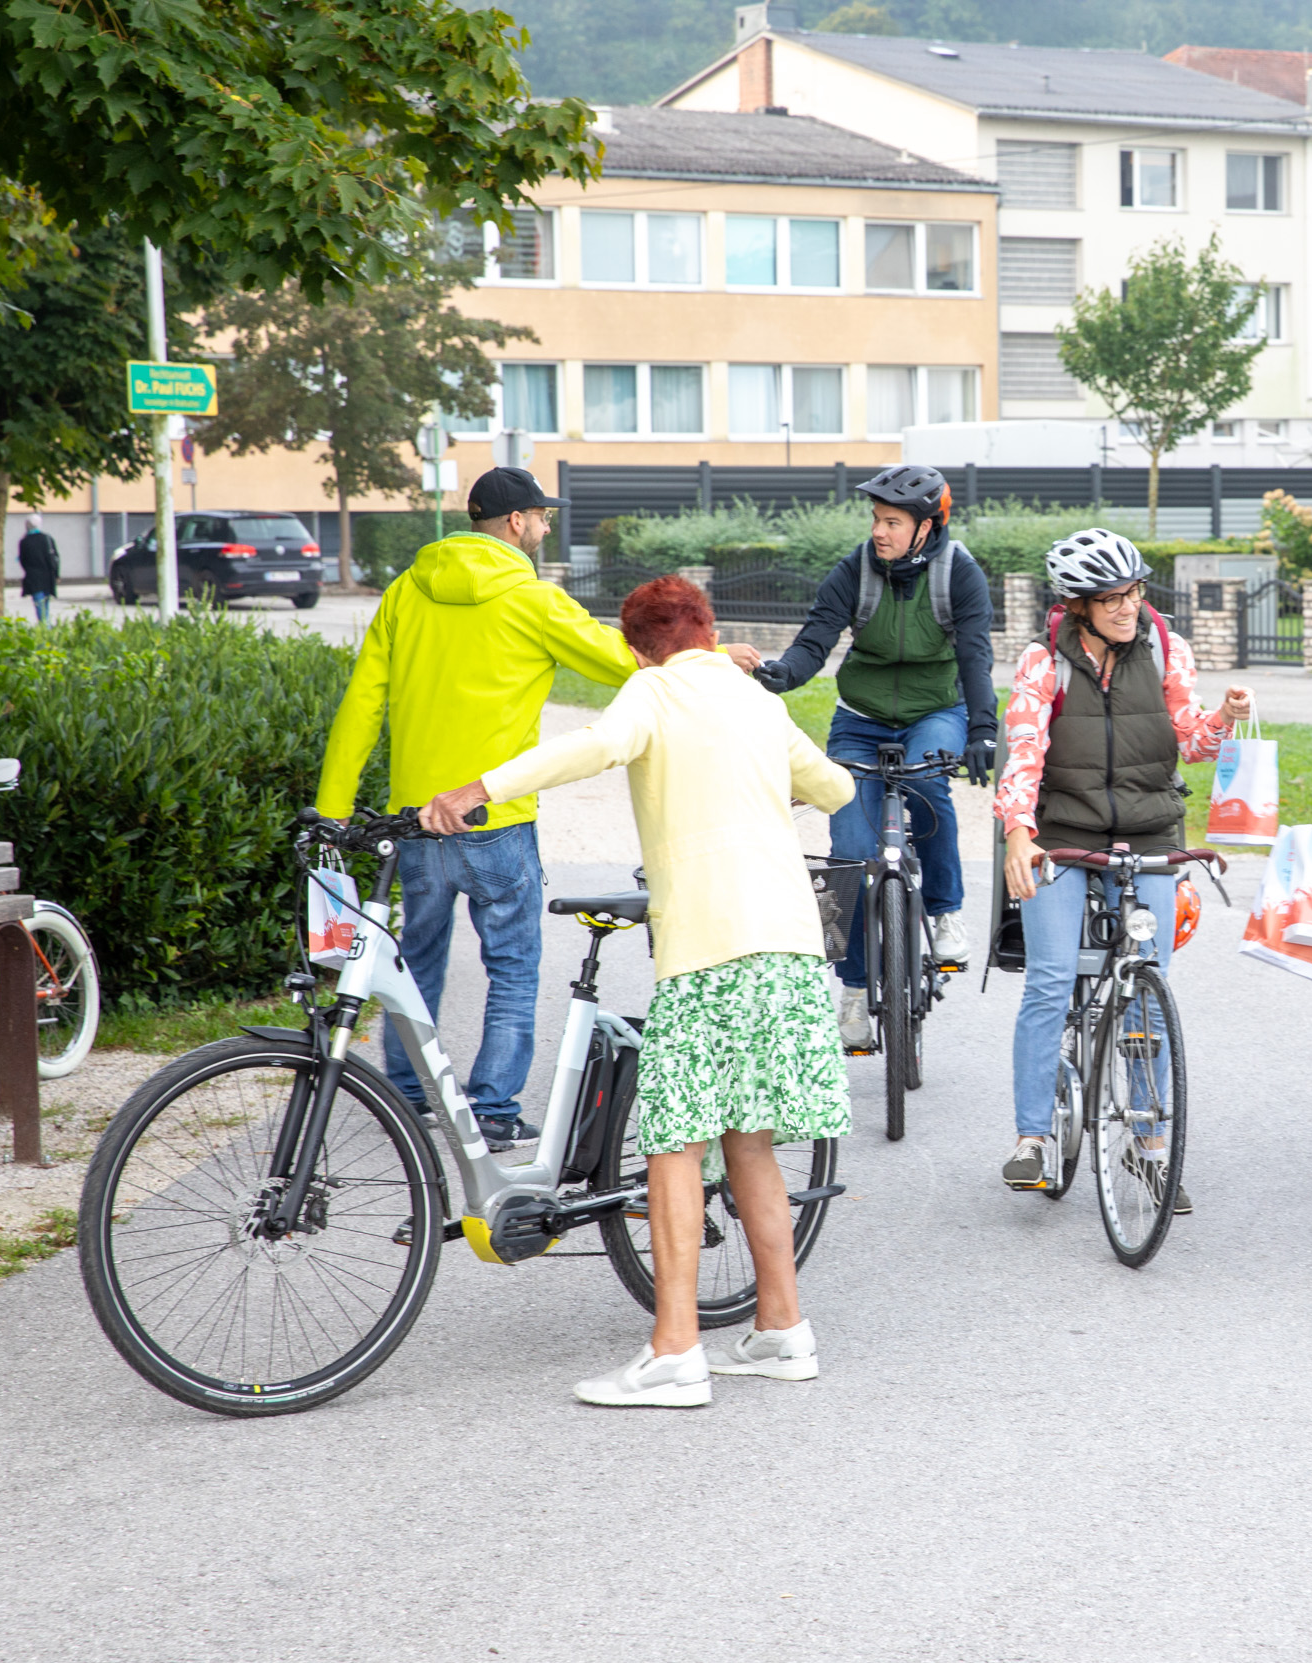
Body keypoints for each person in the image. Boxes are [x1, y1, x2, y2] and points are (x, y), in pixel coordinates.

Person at [423, 576, 856, 1407]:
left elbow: (586, 748)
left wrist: (478, 788)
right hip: (791, 945)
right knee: (751, 1141)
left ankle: (674, 1352)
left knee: (673, 1146)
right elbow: (834, 787)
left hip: (709, 946)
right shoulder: (755, 701)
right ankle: (783, 1330)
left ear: (634, 647)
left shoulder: (649, 692)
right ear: (711, 629)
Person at [318, 466, 754, 1153]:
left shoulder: (405, 591)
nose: (547, 528)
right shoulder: (529, 596)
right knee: (513, 966)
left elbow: (363, 698)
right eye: (543, 518)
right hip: (497, 815)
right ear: (517, 522)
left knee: (415, 960)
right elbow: (621, 659)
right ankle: (492, 1108)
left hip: (417, 820)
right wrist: (714, 656)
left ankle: (402, 1096)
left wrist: (333, 807)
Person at [995, 530, 1250, 1205]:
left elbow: (1190, 741)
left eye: (1133, 592)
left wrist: (1221, 718)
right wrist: (1019, 836)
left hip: (1149, 830)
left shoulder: (1167, 649)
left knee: (1150, 986)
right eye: (1110, 598)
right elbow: (1024, 752)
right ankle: (1033, 1139)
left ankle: (1149, 1147)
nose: (1127, 607)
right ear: (1077, 605)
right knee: (1051, 979)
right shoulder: (1042, 662)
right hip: (1064, 832)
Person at [742, 465, 997, 1050]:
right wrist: (785, 674)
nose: (879, 532)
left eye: (892, 522)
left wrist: (983, 731)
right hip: (860, 718)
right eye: (876, 520)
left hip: (936, 710)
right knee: (852, 855)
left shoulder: (958, 572)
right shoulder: (853, 571)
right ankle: (855, 989)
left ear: (926, 526)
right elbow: (815, 640)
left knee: (931, 785)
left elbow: (976, 658)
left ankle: (944, 909)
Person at [18, 515, 60, 624]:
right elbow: (55, 558)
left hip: (33, 578)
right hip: (48, 577)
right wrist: (56, 574)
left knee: (39, 606)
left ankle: (44, 629)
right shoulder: (47, 539)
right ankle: (46, 628)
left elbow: (23, 560)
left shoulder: (24, 541)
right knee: (45, 605)